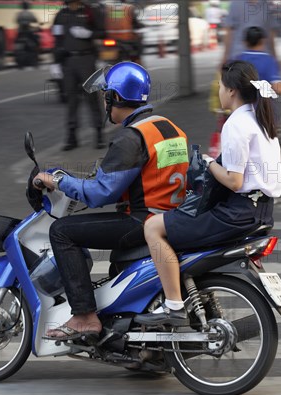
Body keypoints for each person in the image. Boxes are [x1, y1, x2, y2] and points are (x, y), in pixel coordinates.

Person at [31, 62, 190, 340]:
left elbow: (101, 193)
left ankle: (83, 316)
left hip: (143, 221)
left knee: (62, 231)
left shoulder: (131, 138)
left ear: (115, 98)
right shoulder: (169, 128)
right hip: (171, 217)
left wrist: (57, 180)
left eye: (106, 96)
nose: (105, 104)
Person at [136, 60, 281, 326]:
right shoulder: (260, 119)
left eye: (220, 87)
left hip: (236, 212)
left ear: (232, 91)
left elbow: (235, 181)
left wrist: (209, 163)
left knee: (153, 228)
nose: (218, 92)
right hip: (260, 212)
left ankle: (174, 306)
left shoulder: (236, 124)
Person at [52, 0, 106, 151]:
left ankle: (99, 133)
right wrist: (55, 62)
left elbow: (103, 32)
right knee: (71, 100)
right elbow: (57, 40)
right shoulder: (61, 15)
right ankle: (71, 136)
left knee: (92, 98)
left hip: (86, 59)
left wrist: (89, 34)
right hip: (68, 61)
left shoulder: (90, 11)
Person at [220, 0, 278, 67]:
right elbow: (229, 31)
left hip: (263, 57)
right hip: (238, 58)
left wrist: (275, 57)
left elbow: (271, 33)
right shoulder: (235, 4)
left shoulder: (267, 6)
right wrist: (225, 57)